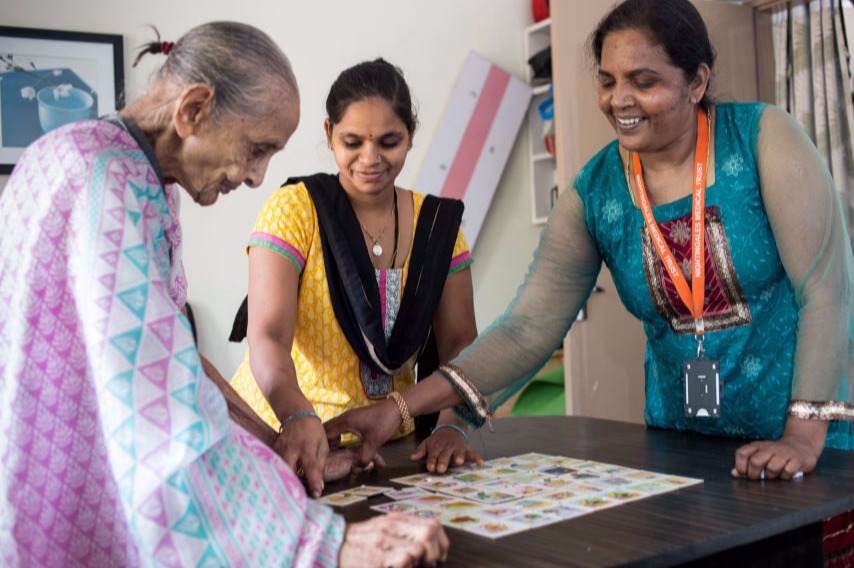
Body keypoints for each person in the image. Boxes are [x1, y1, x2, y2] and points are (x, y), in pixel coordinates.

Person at [326, 0, 854, 484]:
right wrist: (400, 411)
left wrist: (802, 437)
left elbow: (826, 290)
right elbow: (526, 331)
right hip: (681, 450)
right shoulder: (595, 191)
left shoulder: (763, 138)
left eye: (643, 81)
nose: (619, 100)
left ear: (697, 82)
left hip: (806, 450)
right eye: (607, 80)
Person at [0, 23, 448, 567]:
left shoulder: (106, 165)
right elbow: (159, 409)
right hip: (63, 495)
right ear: (192, 110)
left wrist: (278, 444)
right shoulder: (109, 186)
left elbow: (176, 359)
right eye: (255, 149)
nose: (258, 176)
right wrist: (322, 544)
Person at [229, 58, 483, 500]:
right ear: (329, 134)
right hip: (280, 441)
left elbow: (461, 342)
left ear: (410, 137)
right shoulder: (294, 210)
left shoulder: (439, 225)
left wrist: (451, 425)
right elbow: (267, 336)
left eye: (389, 141)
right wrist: (295, 419)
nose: (370, 159)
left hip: (388, 446)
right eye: (352, 142)